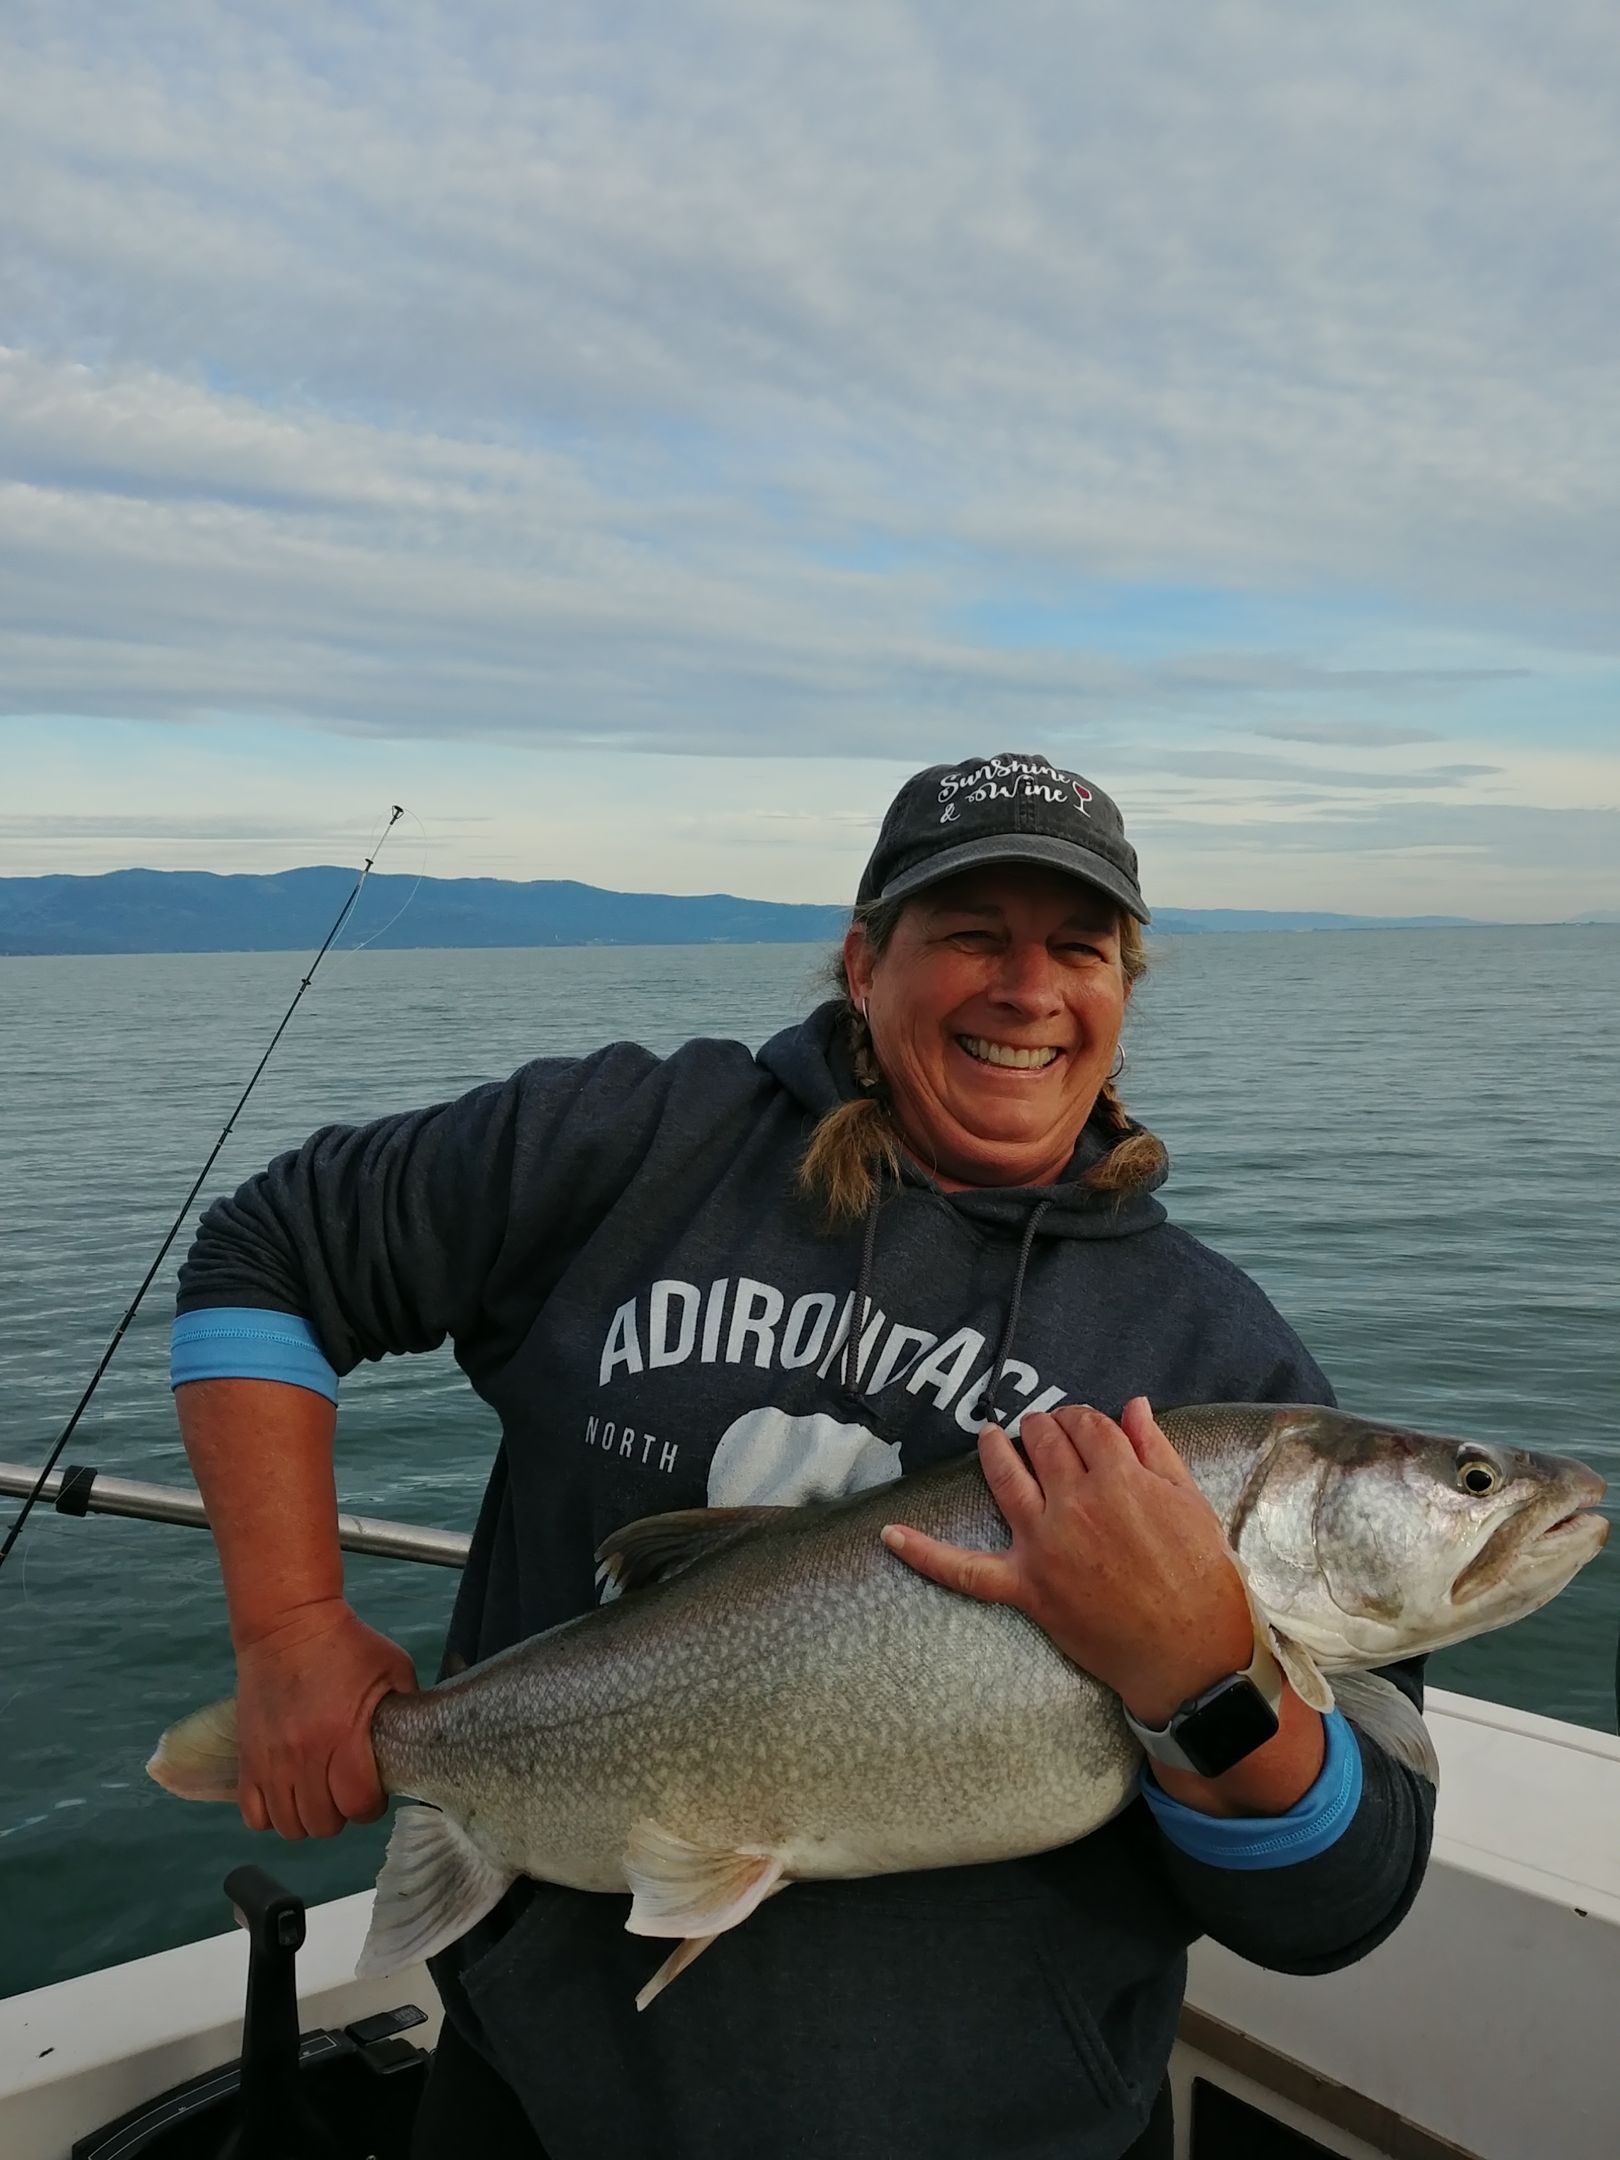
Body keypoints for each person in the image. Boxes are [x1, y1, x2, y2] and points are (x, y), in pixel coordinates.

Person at [171, 751, 1434, 2160]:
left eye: (1078, 948)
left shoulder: (1224, 1377)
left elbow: (1339, 1903)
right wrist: (289, 1625)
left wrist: (1207, 1677)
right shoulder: (635, 1145)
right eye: (971, 936)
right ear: (862, 962)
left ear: (1123, 995)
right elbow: (269, 1251)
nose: (1028, 988)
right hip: (537, 2107)